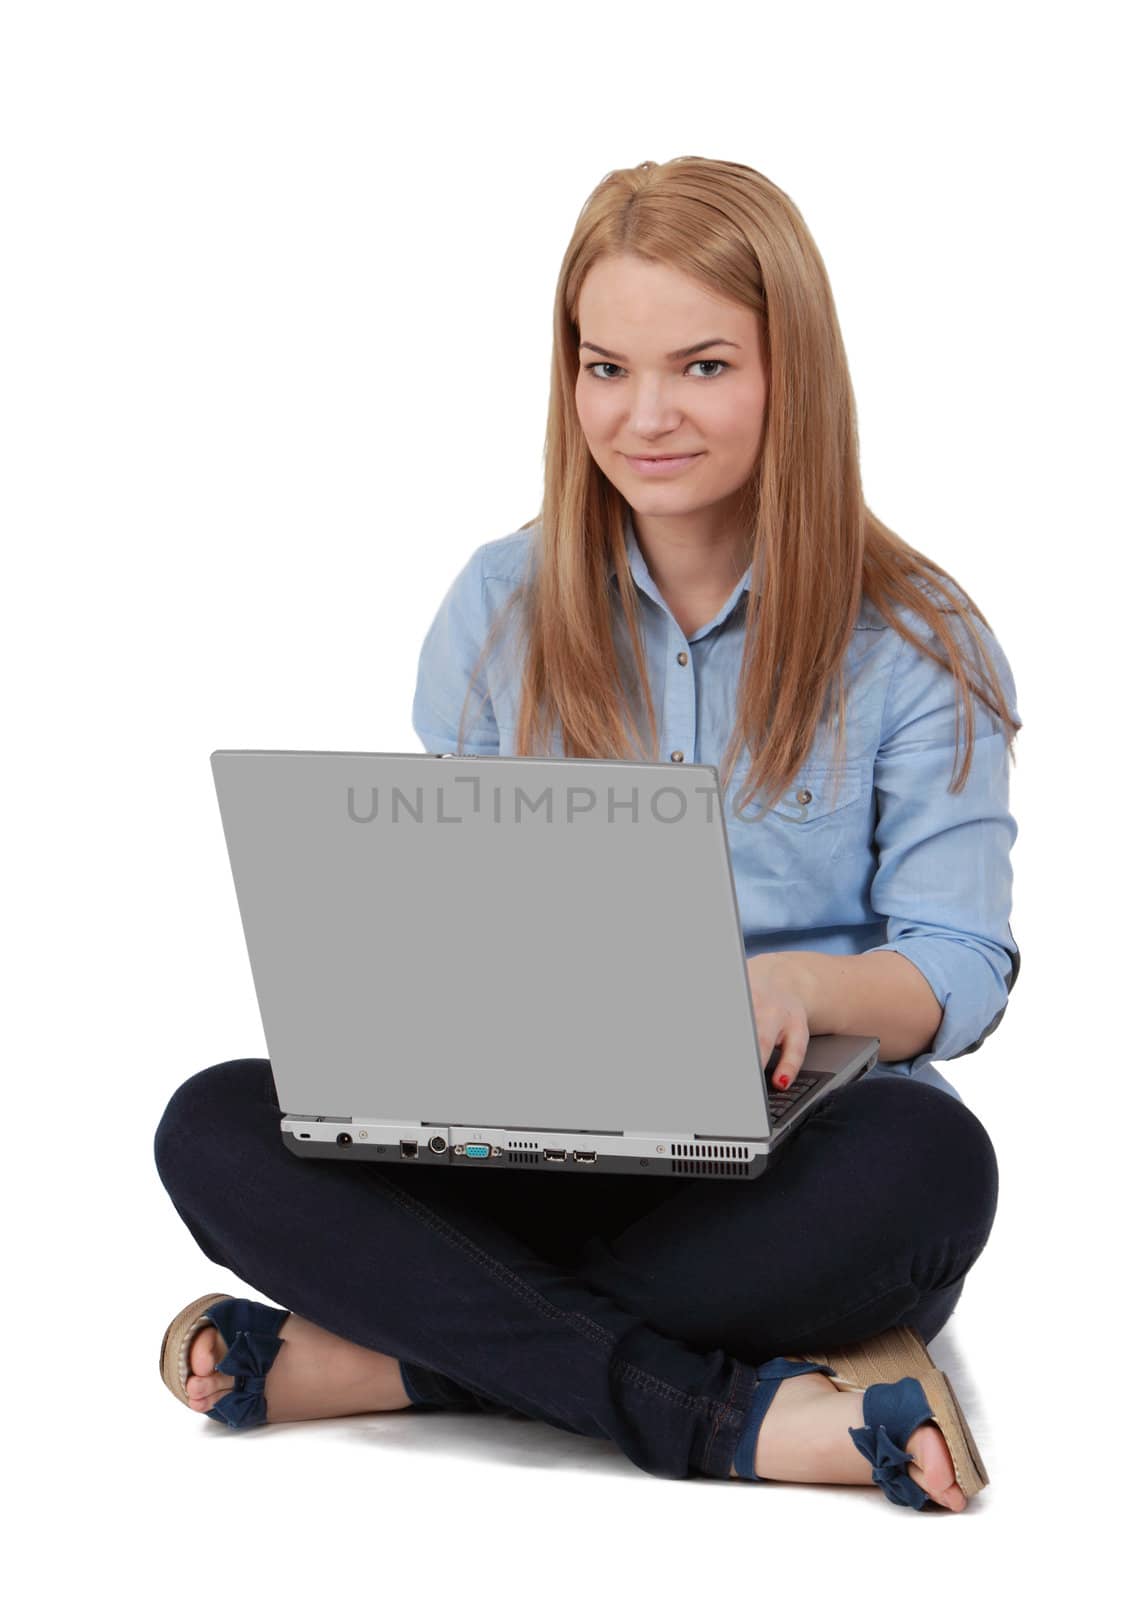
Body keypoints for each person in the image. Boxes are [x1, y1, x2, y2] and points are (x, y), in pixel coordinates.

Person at [154, 156, 1020, 1511]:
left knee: (930, 1172)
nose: (646, 414)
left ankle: (403, 1359)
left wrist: (805, 986)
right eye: (605, 368)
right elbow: (455, 911)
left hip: (788, 1165)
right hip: (531, 1148)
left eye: (703, 365)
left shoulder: (917, 641)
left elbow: (963, 965)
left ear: (793, 372)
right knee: (211, 1126)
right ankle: (733, 1413)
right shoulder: (499, 602)